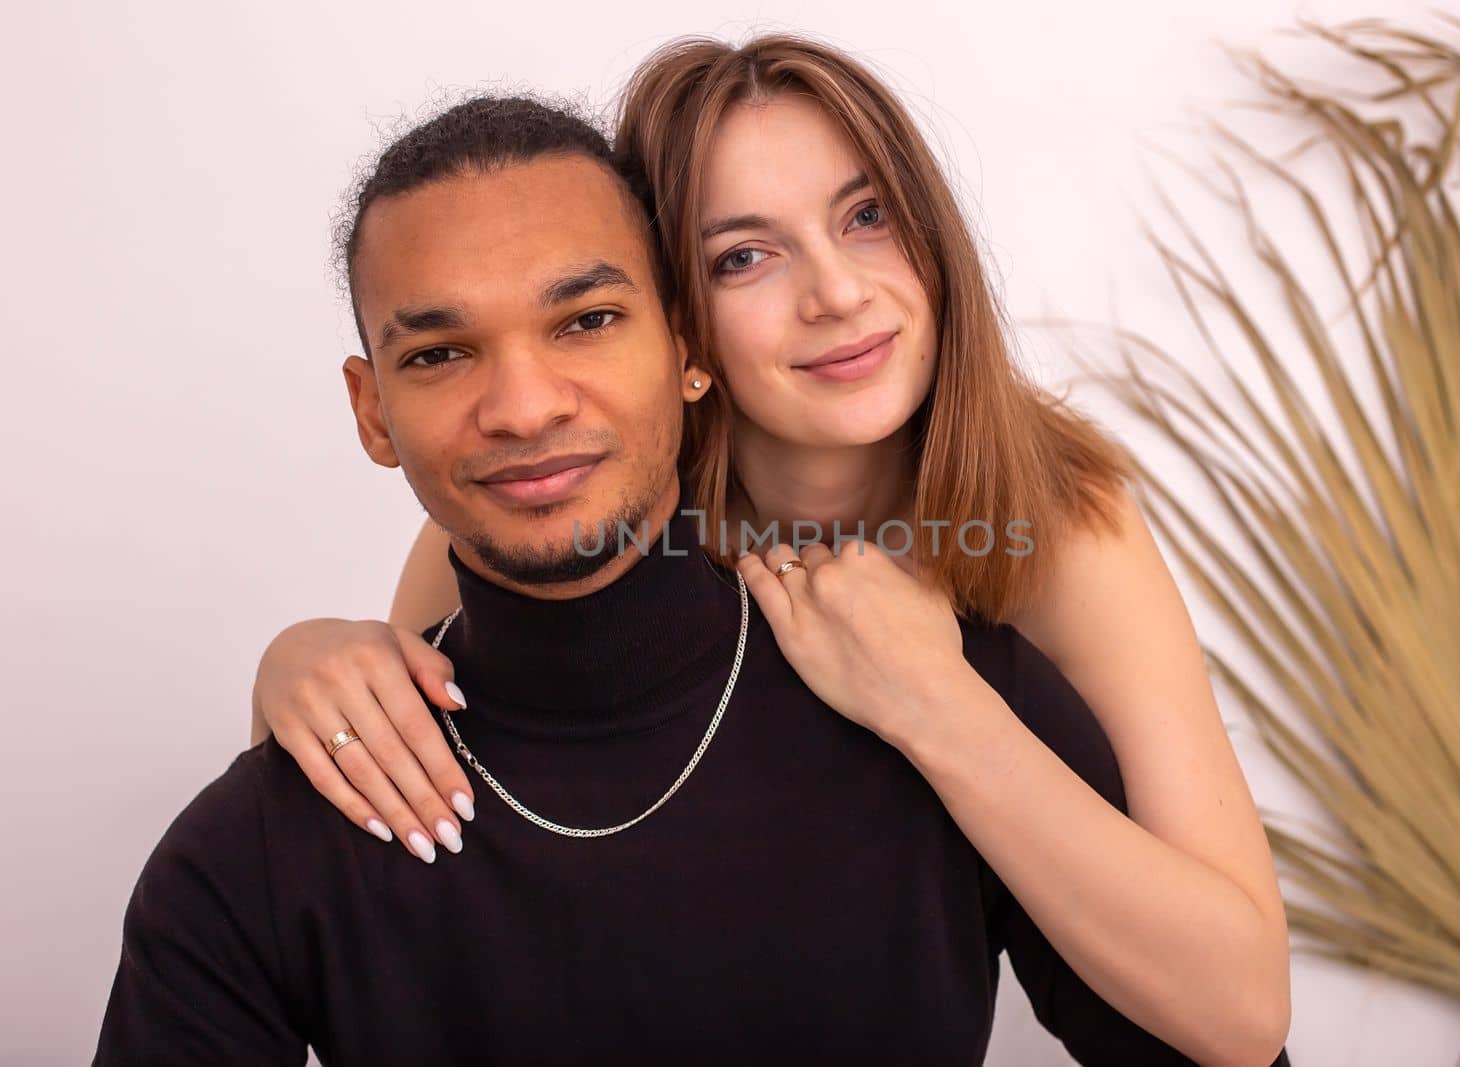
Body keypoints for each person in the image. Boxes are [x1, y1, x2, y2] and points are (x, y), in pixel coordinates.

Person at [95, 93, 1234, 1065]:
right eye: (441, 352)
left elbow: (1232, 1021)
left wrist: (942, 708)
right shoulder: (259, 835)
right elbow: (393, 750)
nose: (526, 409)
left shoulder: (1033, 564)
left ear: (681, 349)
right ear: (369, 409)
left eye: (586, 320)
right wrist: (292, 683)